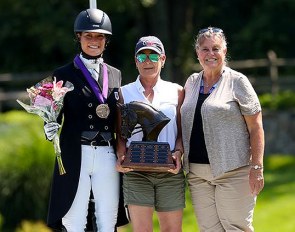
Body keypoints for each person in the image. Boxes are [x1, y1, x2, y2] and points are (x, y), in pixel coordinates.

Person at [44, 8, 128, 232]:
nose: (94, 41)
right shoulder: (62, 74)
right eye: (88, 36)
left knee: (107, 219)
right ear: (78, 37)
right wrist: (49, 126)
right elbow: (53, 115)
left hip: (107, 153)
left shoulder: (116, 74)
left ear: (106, 40)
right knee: (74, 220)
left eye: (99, 36)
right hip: (76, 153)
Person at [181, 27, 265, 231]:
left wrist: (257, 167)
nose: (210, 54)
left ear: (224, 52)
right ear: (198, 53)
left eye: (216, 49)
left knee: (236, 228)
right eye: (205, 49)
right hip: (197, 173)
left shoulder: (238, 81)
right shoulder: (192, 82)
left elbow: (256, 127)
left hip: (234, 170)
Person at [116, 36, 186, 232]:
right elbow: (120, 134)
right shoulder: (123, 93)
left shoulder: (177, 92)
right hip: (136, 172)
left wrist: (178, 154)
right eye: (142, 56)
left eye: (153, 56)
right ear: (135, 61)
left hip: (169, 172)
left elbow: (181, 133)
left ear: (162, 59)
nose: (148, 61)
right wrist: (121, 156)